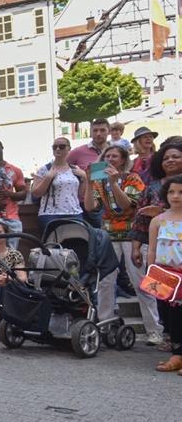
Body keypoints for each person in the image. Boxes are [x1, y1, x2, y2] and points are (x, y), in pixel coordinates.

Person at [83, 144, 160, 340]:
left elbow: (128, 205)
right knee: (106, 281)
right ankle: (105, 325)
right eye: (107, 155)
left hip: (133, 235)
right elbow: (91, 207)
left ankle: (154, 330)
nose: (110, 159)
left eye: (114, 156)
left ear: (124, 160)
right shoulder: (100, 182)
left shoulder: (132, 178)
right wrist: (90, 182)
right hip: (109, 236)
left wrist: (114, 183)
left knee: (141, 281)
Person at [132, 137, 182, 349]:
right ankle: (172, 341)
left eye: (176, 156)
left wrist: (160, 213)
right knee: (163, 301)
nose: (170, 160)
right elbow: (140, 217)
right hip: (161, 256)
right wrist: (136, 246)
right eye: (166, 157)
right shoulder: (152, 186)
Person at [148, 176, 182, 372]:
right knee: (169, 315)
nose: (176, 196)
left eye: (180, 192)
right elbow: (152, 249)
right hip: (163, 273)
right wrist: (150, 272)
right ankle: (177, 355)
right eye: (171, 192)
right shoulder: (157, 221)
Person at [31, 137, 89, 232]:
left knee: (76, 244)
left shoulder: (75, 169)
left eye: (61, 146)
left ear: (69, 149)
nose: (57, 149)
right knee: (53, 244)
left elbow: (80, 194)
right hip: (50, 214)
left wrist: (85, 178)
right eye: (55, 147)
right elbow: (36, 193)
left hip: (74, 212)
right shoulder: (44, 169)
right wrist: (48, 178)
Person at [68, 119, 110, 227]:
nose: (98, 133)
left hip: (112, 201)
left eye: (102, 130)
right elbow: (62, 165)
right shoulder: (78, 151)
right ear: (90, 132)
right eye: (95, 130)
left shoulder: (115, 151)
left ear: (108, 131)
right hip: (88, 202)